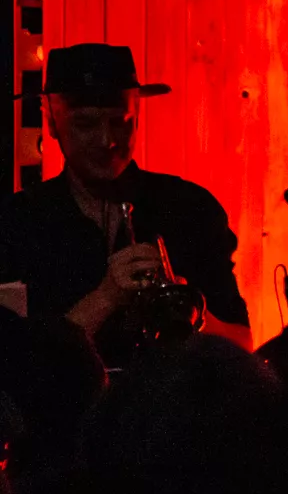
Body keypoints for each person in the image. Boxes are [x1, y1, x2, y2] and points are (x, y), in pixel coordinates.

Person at [0, 44, 251, 361]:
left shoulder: (190, 207)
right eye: (85, 125)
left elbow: (242, 345)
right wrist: (105, 299)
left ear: (138, 115)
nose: (107, 140)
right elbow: (16, 365)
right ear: (50, 119)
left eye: (121, 121)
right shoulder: (16, 221)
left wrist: (189, 314)